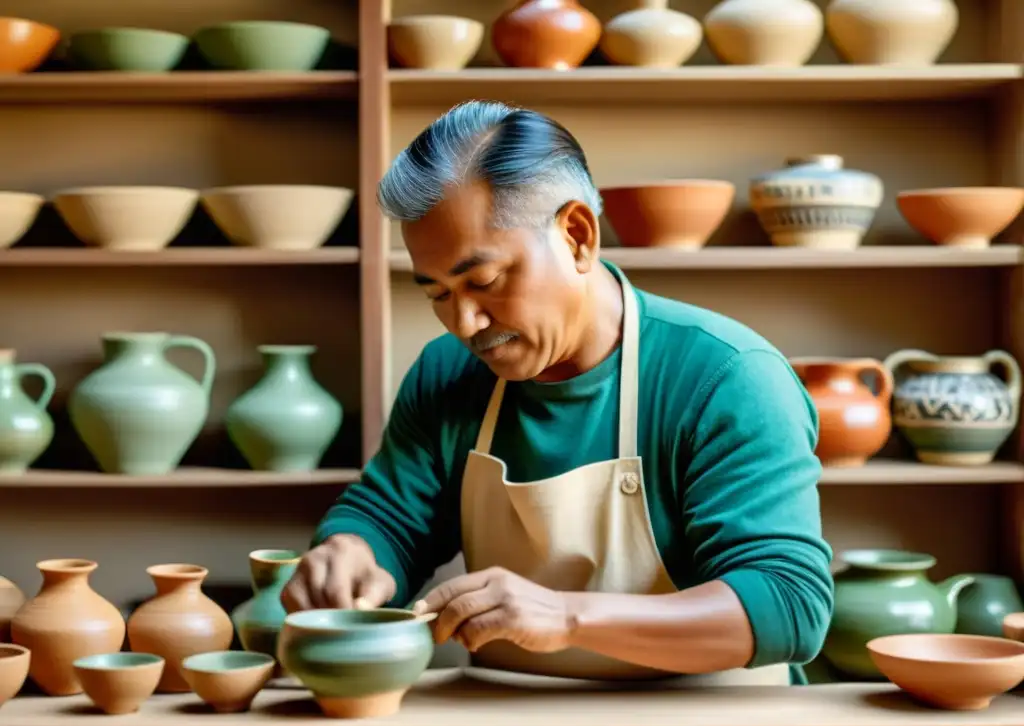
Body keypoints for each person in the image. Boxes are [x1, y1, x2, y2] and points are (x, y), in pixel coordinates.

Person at [282, 100, 834, 686]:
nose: (464, 322)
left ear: (576, 236)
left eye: (484, 281)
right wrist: (353, 552)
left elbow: (788, 605)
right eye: (437, 294)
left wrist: (568, 616)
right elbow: (390, 518)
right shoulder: (448, 373)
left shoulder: (726, 376)